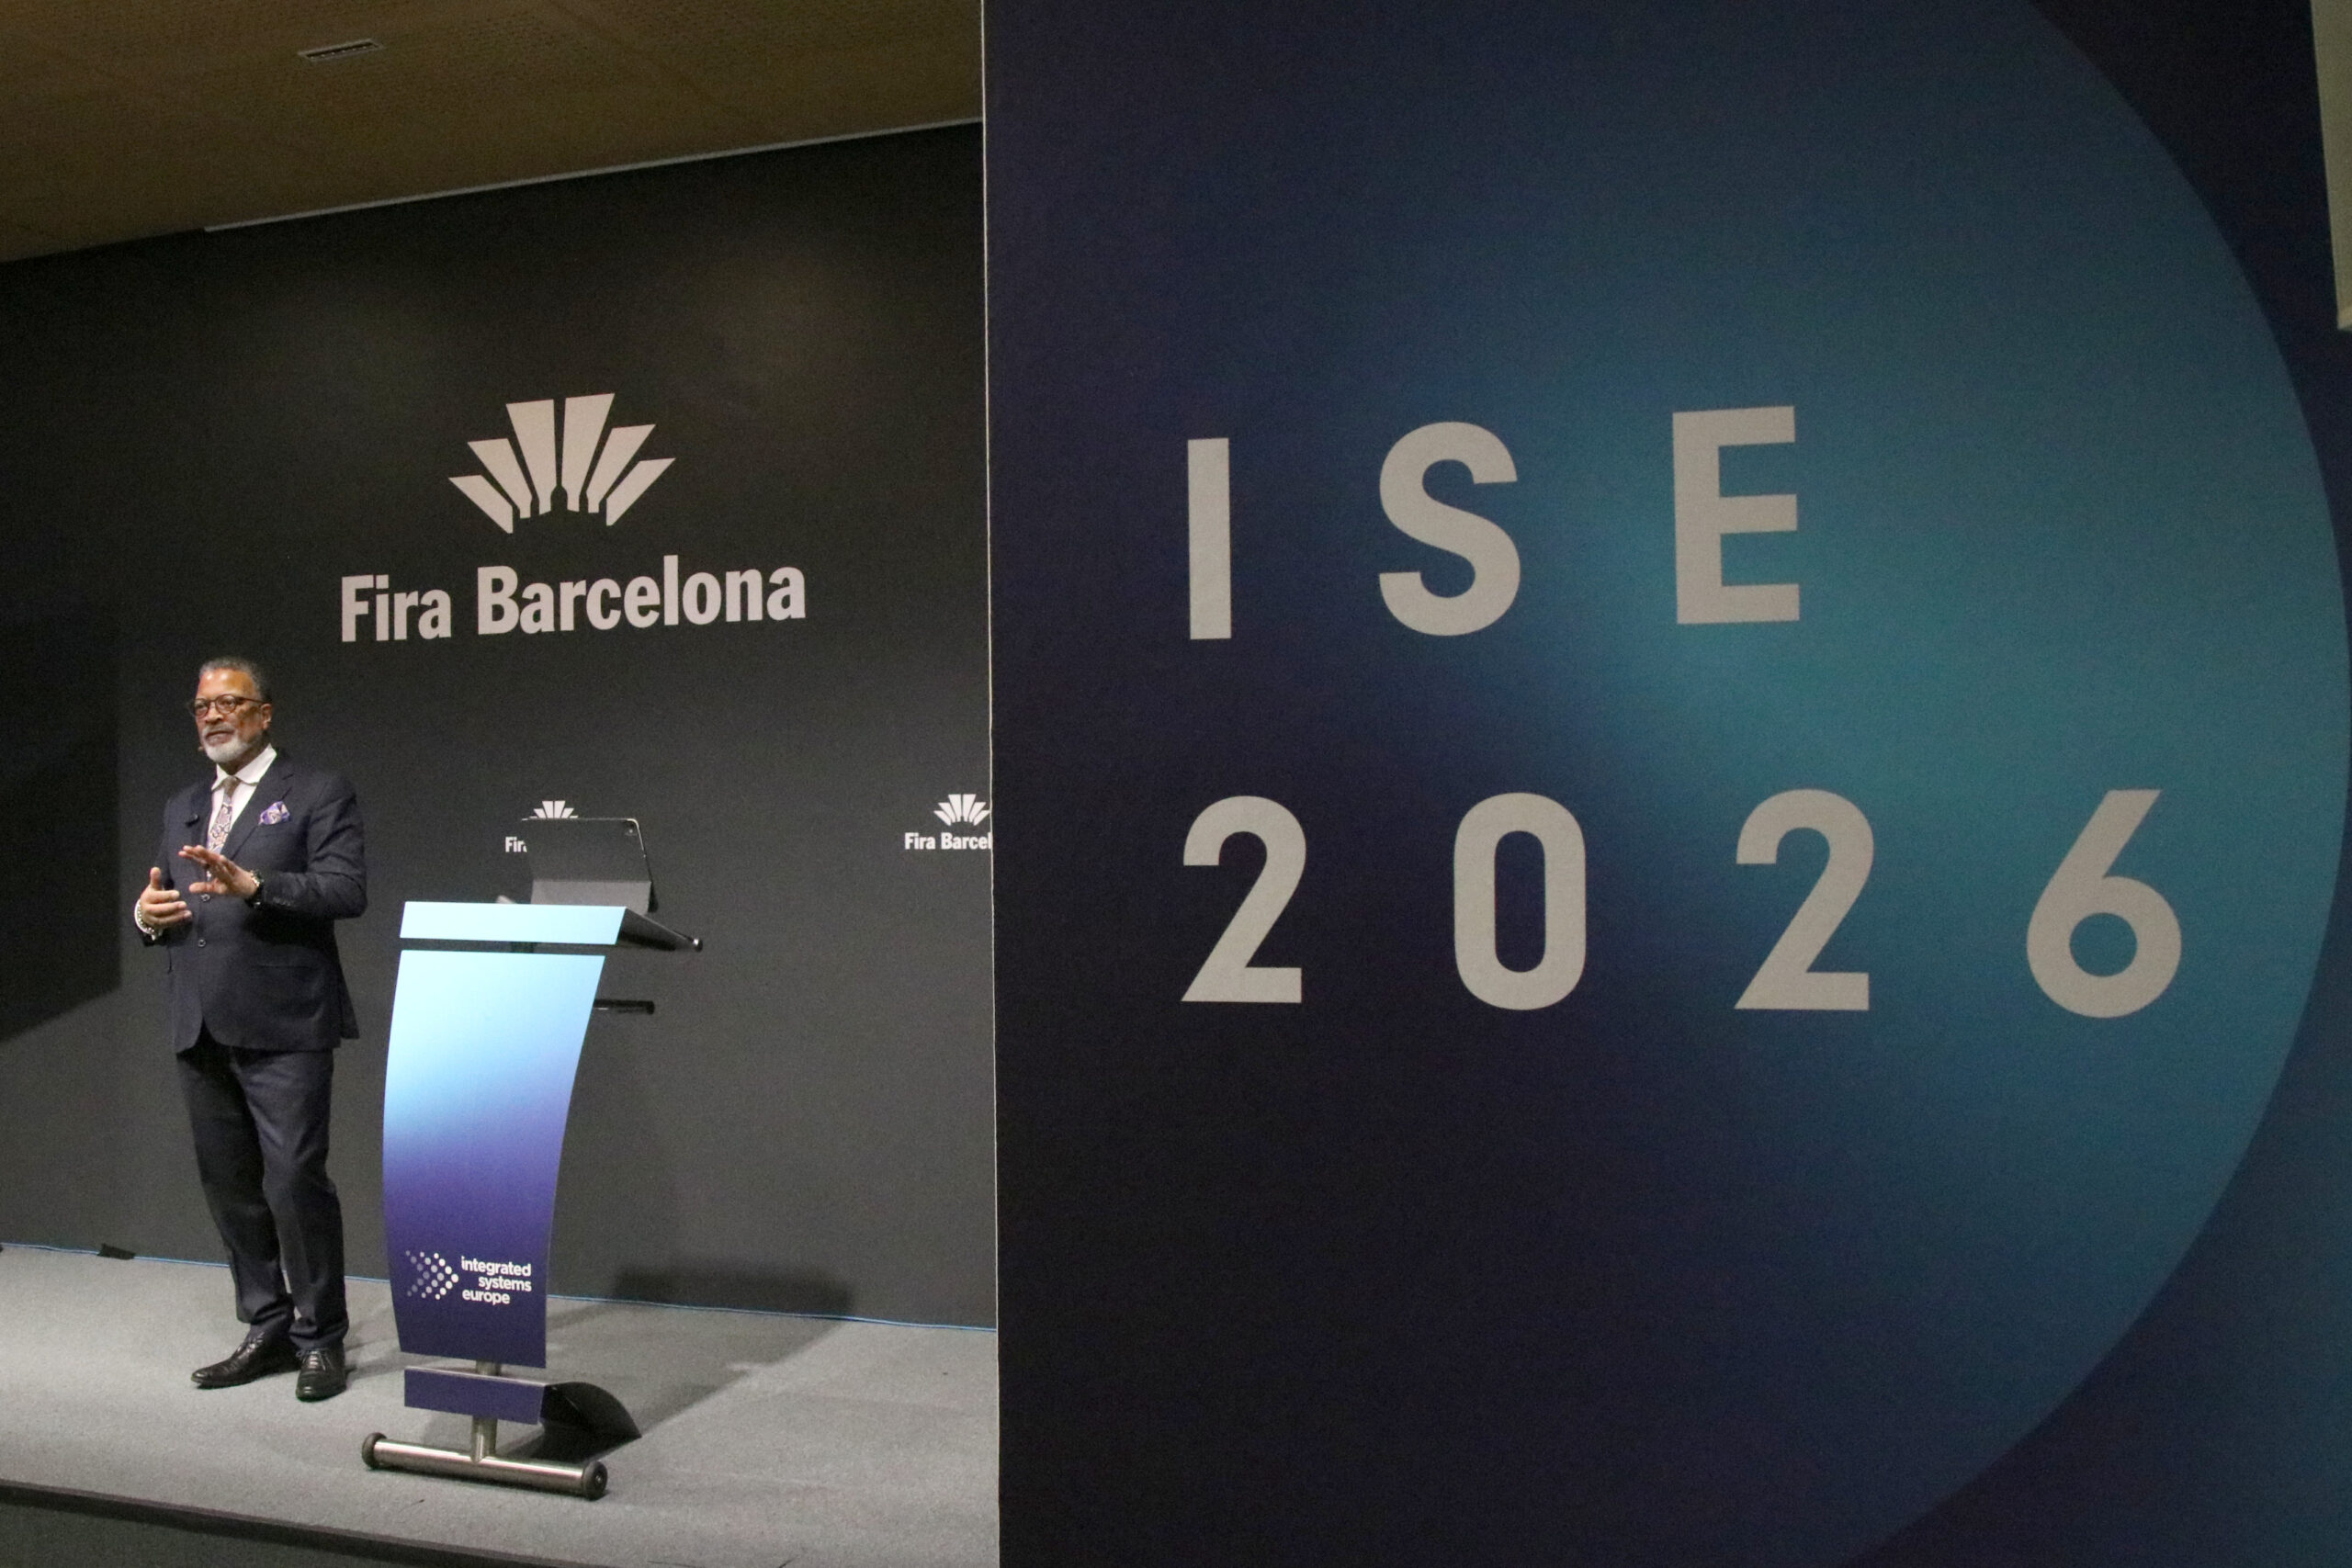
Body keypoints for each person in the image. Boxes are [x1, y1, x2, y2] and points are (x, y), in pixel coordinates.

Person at [133, 657, 366, 1402]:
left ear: (264, 713)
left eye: (229, 703)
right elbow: (168, 896)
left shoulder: (316, 790)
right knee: (230, 1185)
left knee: (294, 1180)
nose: (213, 715)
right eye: (203, 706)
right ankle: (267, 1323)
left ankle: (320, 1336)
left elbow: (345, 888)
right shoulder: (183, 805)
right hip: (200, 1021)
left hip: (286, 1022)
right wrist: (146, 916)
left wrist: (258, 885)